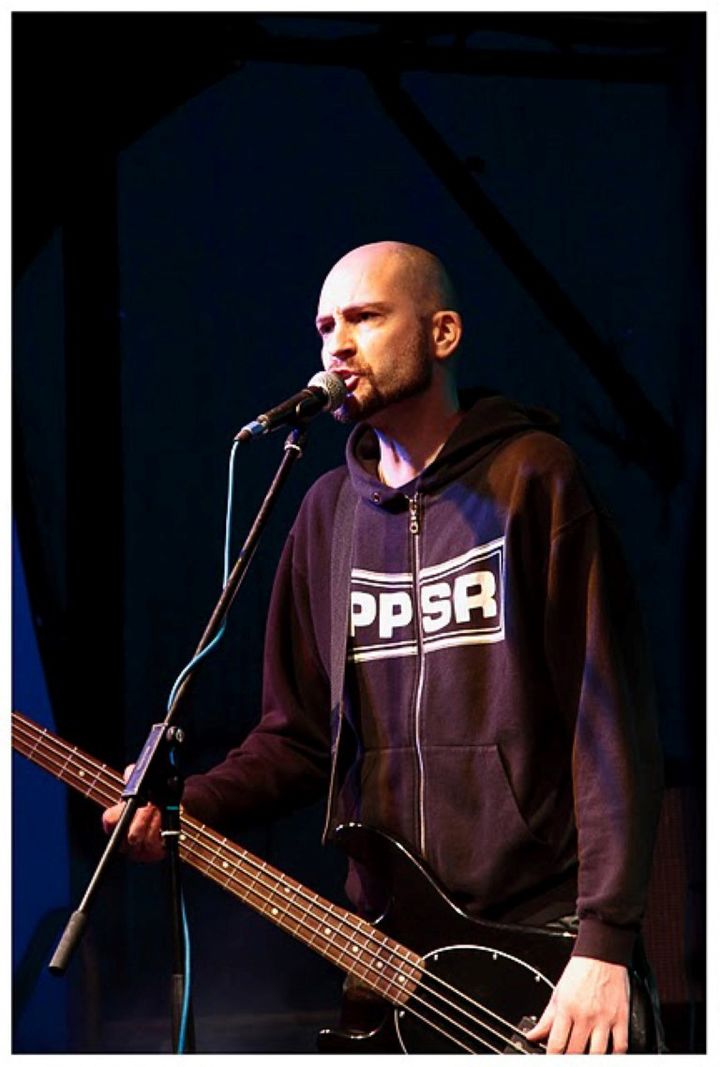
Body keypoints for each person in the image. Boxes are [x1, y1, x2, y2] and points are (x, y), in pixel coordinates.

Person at [104, 240, 664, 1054]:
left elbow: (607, 723)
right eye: (325, 326)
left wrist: (605, 941)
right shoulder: (327, 515)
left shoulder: (535, 478)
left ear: (443, 334)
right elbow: (298, 738)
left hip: (546, 944)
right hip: (395, 953)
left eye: (365, 317)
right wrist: (186, 805)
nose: (338, 344)